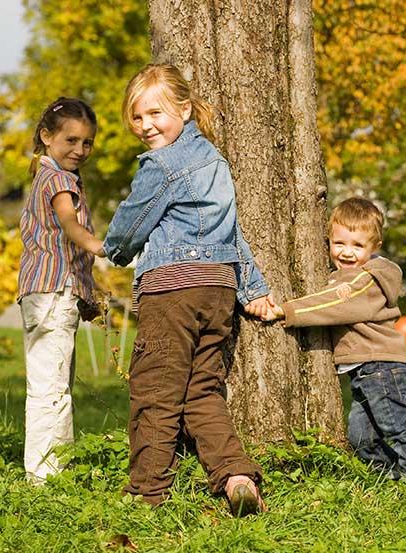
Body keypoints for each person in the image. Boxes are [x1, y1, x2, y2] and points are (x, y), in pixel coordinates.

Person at [103, 64, 271, 516]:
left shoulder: (161, 165)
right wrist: (252, 288)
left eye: (155, 113)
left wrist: (112, 250)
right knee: (201, 391)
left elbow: (131, 223)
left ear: (184, 108)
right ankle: (237, 475)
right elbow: (234, 233)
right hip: (217, 289)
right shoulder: (215, 160)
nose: (145, 126)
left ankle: (147, 492)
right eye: (136, 118)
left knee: (156, 390)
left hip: (171, 291)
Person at [264, 197, 406, 481]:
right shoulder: (347, 277)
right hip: (364, 371)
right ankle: (390, 479)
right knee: (361, 438)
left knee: (397, 428)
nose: (347, 253)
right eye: (339, 243)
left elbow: (332, 305)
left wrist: (286, 310)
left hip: (382, 367)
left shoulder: (366, 281)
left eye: (358, 245)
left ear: (374, 247)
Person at [17, 97, 105, 485]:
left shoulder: (46, 174)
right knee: (50, 389)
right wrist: (103, 246)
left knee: (53, 383)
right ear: (46, 135)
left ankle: (52, 467)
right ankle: (46, 475)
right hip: (51, 294)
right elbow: (69, 225)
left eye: (87, 142)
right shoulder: (58, 180)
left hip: (46, 293)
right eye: (71, 140)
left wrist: (90, 289)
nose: (80, 150)